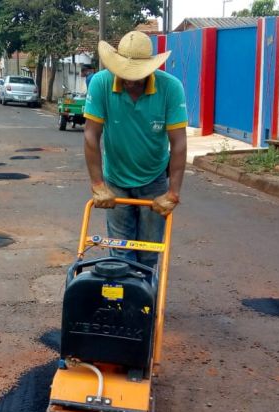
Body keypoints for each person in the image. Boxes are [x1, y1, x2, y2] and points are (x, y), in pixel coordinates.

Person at [83, 31, 188, 268]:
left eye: (137, 76)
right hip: (116, 180)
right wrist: (98, 185)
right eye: (125, 74)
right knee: (120, 253)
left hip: (154, 179)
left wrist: (173, 193)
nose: (130, 81)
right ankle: (124, 302)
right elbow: (91, 135)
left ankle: (145, 301)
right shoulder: (101, 83)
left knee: (149, 253)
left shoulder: (170, 88)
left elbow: (179, 143)